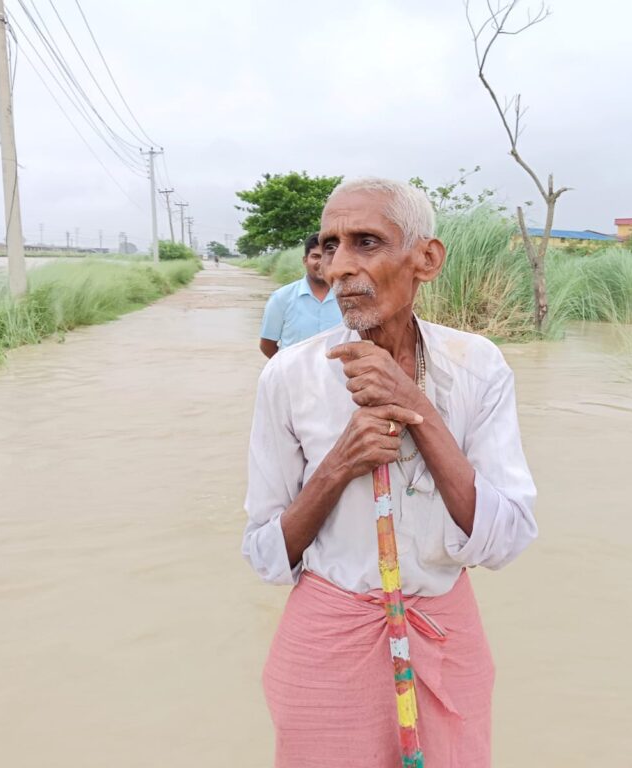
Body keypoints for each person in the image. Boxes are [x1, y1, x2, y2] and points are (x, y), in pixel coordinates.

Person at [242, 178, 537, 767]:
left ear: (426, 259)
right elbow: (265, 555)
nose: (339, 266)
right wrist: (339, 465)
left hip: (444, 631)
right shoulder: (290, 376)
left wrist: (415, 406)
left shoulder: (477, 367)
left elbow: (505, 540)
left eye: (367, 242)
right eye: (331, 246)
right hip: (328, 641)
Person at [258, 232, 341, 358]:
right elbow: (267, 345)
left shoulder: (347, 297)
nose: (322, 262)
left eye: (328, 256)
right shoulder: (281, 298)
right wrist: (289, 366)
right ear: (305, 260)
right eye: (316, 256)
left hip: (337, 371)